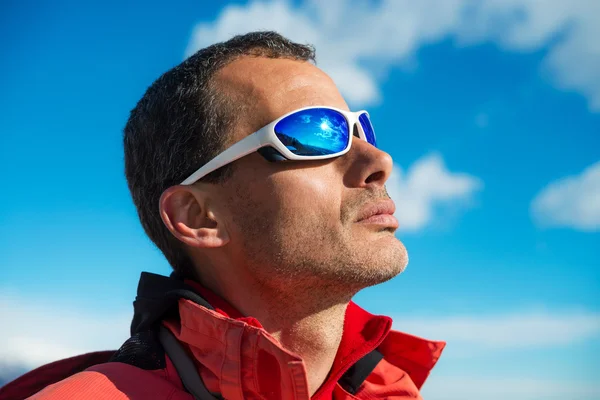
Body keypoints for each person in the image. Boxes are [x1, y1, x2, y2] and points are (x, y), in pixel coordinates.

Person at [1, 31, 444, 400]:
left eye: (357, 129)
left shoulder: (391, 390)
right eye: (314, 131)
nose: (379, 158)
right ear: (198, 216)